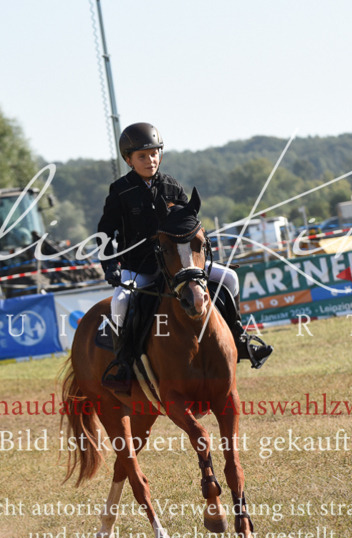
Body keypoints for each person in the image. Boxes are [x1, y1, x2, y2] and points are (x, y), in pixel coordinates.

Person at [97, 122, 272, 394]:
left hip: (179, 266)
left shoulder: (171, 186)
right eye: (142, 156)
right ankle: (123, 363)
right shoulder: (120, 191)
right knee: (120, 303)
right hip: (140, 267)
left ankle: (240, 339)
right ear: (129, 160)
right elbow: (106, 232)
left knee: (230, 278)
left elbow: (191, 226)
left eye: (154, 153)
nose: (150, 160)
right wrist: (109, 265)